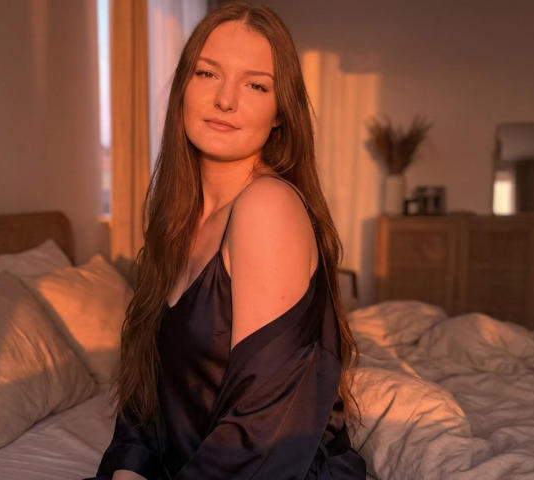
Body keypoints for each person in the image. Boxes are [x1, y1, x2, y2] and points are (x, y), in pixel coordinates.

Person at [89, 2, 366, 479]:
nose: (225, 100)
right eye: (207, 74)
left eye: (255, 85)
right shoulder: (176, 221)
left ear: (280, 114)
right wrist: (127, 471)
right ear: (183, 86)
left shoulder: (266, 204)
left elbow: (263, 432)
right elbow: (146, 396)